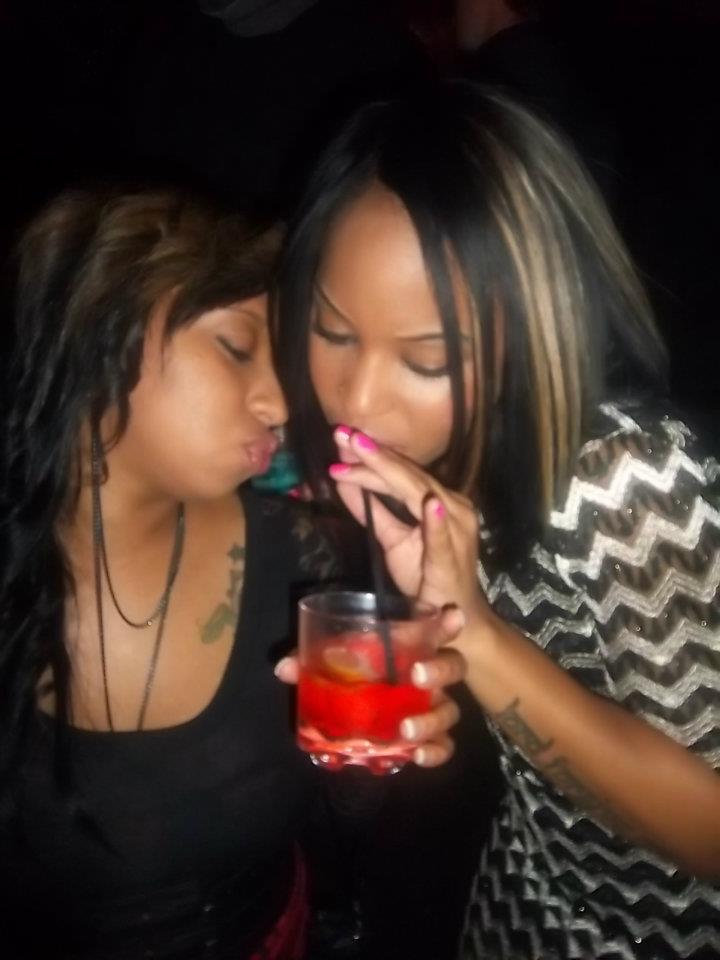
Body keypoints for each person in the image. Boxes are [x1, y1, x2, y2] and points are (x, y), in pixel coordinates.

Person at [277, 83, 720, 958]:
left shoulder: (622, 477)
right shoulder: (434, 464)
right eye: (332, 331)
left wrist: (475, 640)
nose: (357, 398)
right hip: (518, 898)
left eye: (426, 361)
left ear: (528, 332)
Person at [0, 188, 463, 960]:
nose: (280, 402)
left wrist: (385, 741)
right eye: (236, 346)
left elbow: (342, 818)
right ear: (97, 332)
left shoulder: (302, 559)